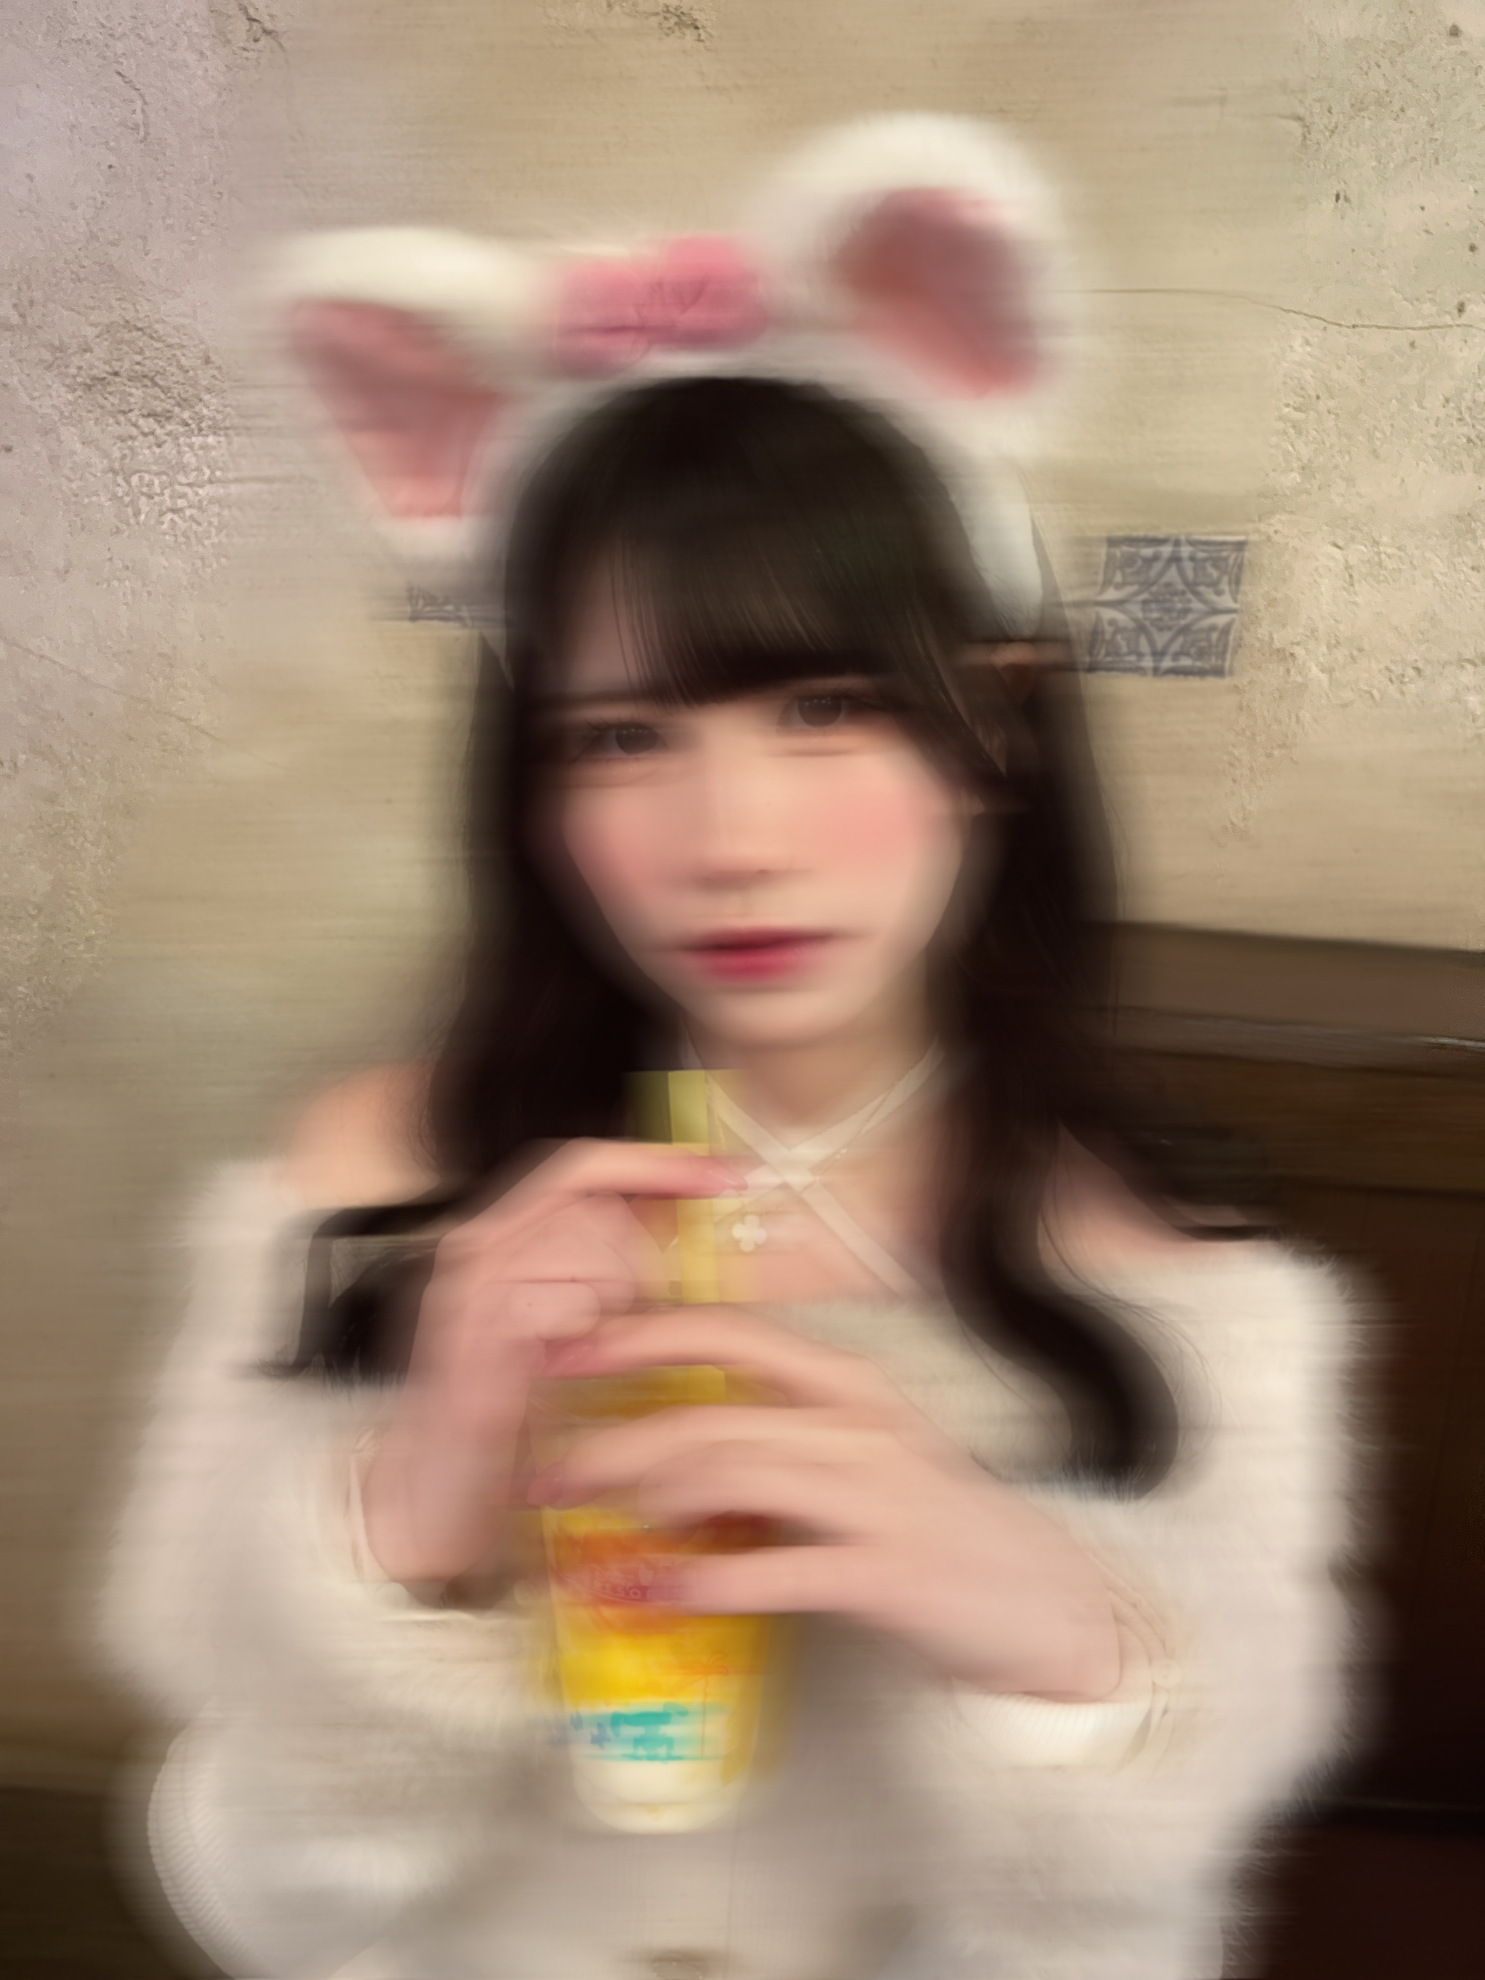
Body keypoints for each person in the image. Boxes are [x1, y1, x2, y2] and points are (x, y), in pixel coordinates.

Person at [103, 120, 1354, 1980]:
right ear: (534, 787)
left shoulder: (1172, 1274)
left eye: (825, 706)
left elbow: (1114, 1946)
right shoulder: (381, 1176)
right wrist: (409, 1520)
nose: (731, 841)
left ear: (996, 726)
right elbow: (270, 1903)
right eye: (622, 738)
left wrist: (1069, 1661)